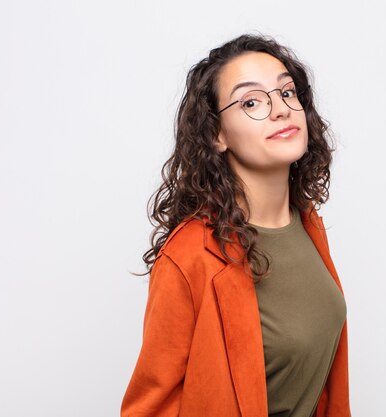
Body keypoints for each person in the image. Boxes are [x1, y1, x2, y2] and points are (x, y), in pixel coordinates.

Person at [121, 33, 351, 417]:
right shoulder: (190, 255)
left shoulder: (308, 226)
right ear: (216, 134)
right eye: (251, 101)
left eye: (287, 93)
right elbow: (150, 408)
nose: (280, 109)